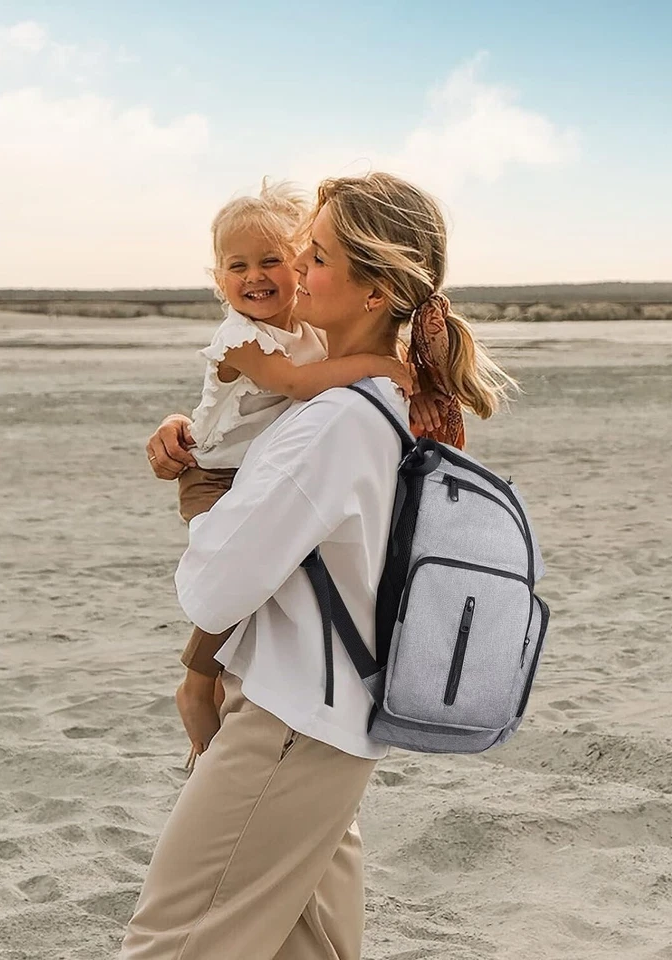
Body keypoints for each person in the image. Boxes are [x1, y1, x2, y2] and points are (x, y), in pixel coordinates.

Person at [123, 172, 516, 960]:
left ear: (374, 291)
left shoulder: (337, 416)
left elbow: (216, 582)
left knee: (174, 942)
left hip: (287, 718)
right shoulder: (379, 403)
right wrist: (193, 433)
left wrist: (211, 513)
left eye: (318, 255)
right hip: (331, 718)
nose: (295, 269)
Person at [170, 179, 414, 769]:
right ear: (218, 279)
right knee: (235, 569)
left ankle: (206, 681)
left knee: (249, 571)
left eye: (278, 259)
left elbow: (311, 388)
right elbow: (298, 387)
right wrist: (387, 363)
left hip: (246, 472)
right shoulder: (243, 338)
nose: (259, 276)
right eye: (238, 266)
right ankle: (197, 680)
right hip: (214, 475)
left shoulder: (308, 342)